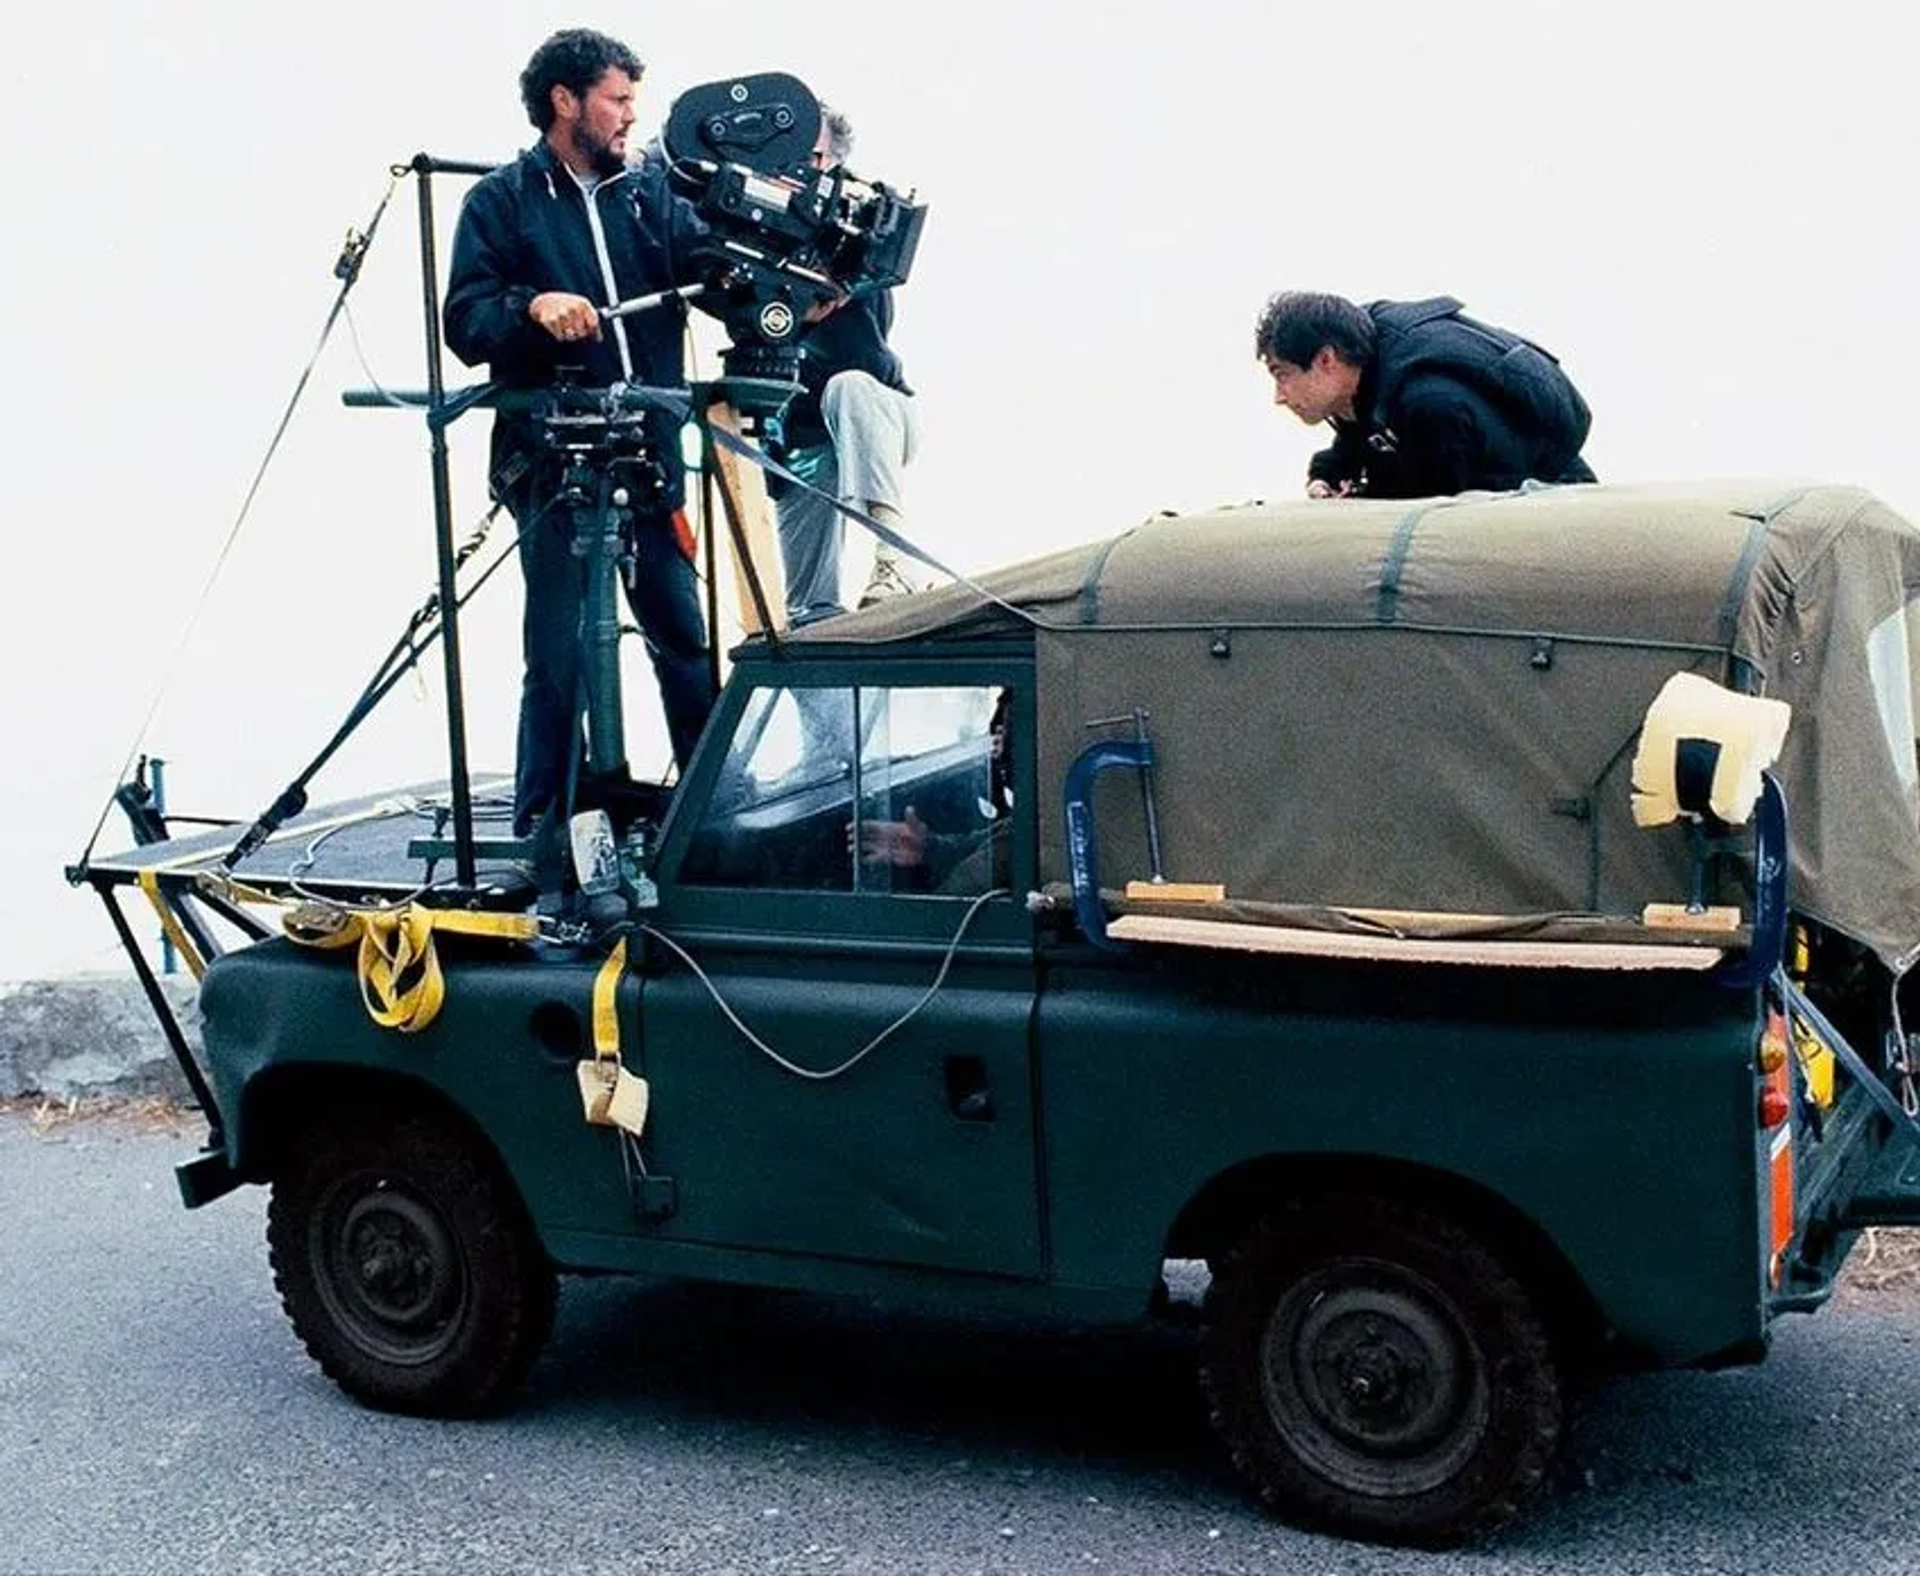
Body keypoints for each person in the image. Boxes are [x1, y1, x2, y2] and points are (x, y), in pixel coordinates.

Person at [443, 28, 717, 847]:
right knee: (557, 653)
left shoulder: (651, 196)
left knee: (685, 639)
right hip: (554, 465)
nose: (633, 116)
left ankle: (711, 821)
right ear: (566, 101)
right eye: (618, 99)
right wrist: (532, 309)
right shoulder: (498, 202)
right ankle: (543, 831)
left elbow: (714, 271)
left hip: (650, 459)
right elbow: (465, 318)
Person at [770, 104, 921, 623]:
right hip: (803, 437)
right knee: (808, 611)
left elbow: (866, 354)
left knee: (850, 387)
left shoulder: (853, 226)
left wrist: (834, 286)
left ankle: (893, 557)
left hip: (875, 410)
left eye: (807, 157)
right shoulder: (760, 226)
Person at [1254, 291, 1596, 500]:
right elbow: (1361, 437)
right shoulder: (1367, 375)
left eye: (1282, 374)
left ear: (1326, 359)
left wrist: (1364, 492)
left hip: (1554, 497)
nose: (1279, 397)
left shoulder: (1430, 403)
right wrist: (1328, 475)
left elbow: (1432, 498)